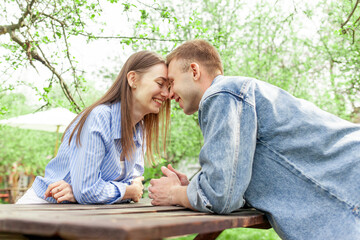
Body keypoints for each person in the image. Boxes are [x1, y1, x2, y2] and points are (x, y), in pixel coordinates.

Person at [148, 39, 360, 239]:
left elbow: (220, 196)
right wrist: (194, 188)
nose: (168, 93)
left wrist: (174, 194)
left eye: (172, 82)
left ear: (194, 71)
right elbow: (231, 186)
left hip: (349, 196)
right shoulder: (237, 95)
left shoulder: (221, 94)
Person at [16, 51, 171, 204]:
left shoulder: (139, 129)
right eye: (160, 83)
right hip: (42, 208)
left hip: (79, 215)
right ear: (133, 79)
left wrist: (81, 193)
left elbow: (134, 184)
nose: (166, 93)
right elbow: (91, 191)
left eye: (168, 86)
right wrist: (126, 191)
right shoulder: (100, 117)